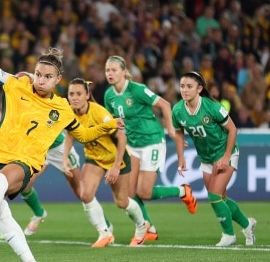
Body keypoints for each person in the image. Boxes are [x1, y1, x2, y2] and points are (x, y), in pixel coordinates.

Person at [0, 49, 124, 262]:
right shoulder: (18, 84)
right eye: (38, 74)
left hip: (24, 161)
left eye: (47, 76)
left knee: (0, 183)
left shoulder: (63, 109)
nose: (40, 79)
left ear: (58, 79)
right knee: (0, 210)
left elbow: (85, 135)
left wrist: (106, 127)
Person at [0, 72, 112, 239]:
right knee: (22, 184)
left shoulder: (45, 100)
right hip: (41, 151)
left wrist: (27, 76)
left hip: (59, 147)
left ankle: (105, 225)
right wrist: (3, 117)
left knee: (81, 192)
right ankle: (39, 213)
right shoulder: (23, 101)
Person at [104, 55, 198, 241]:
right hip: (132, 144)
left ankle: (183, 191)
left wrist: (170, 129)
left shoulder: (137, 89)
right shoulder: (109, 96)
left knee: (144, 192)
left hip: (152, 141)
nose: (110, 73)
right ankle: (149, 228)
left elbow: (164, 104)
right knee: (130, 194)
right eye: (107, 70)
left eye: (114, 70)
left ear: (124, 72)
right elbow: (113, 121)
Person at [172, 71, 257, 247]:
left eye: (189, 86)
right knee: (221, 198)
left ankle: (229, 235)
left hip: (226, 152)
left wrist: (226, 158)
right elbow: (178, 133)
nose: (185, 90)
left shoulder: (212, 107)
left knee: (214, 196)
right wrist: (181, 158)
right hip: (206, 158)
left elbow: (233, 130)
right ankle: (247, 225)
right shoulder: (178, 110)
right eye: (182, 86)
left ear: (199, 88)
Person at [66, 78, 148, 246]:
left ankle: (142, 225)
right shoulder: (69, 113)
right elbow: (70, 133)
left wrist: (116, 167)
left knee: (122, 202)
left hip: (116, 158)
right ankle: (104, 233)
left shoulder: (99, 113)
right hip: (95, 157)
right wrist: (64, 156)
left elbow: (121, 136)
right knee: (85, 194)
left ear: (87, 95)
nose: (74, 97)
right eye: (71, 94)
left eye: (78, 94)